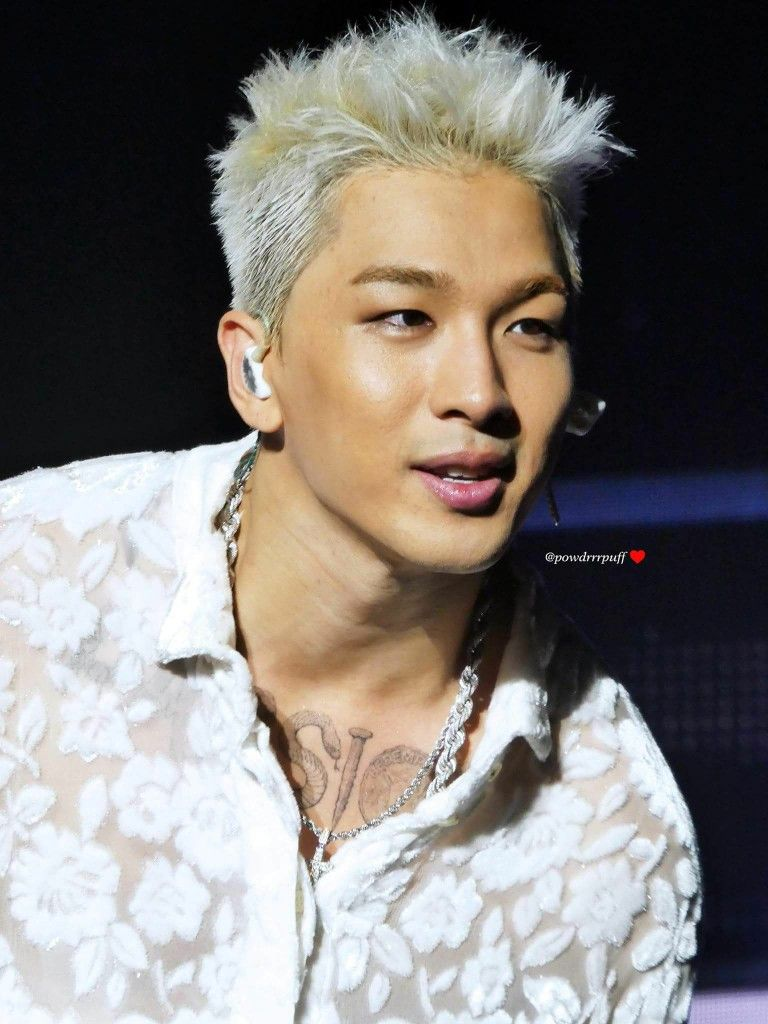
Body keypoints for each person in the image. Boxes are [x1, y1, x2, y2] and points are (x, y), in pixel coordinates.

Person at [0, 8, 702, 1023]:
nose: (480, 391)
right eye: (405, 317)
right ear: (255, 364)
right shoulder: (23, 590)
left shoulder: (616, 837)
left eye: (530, 326)